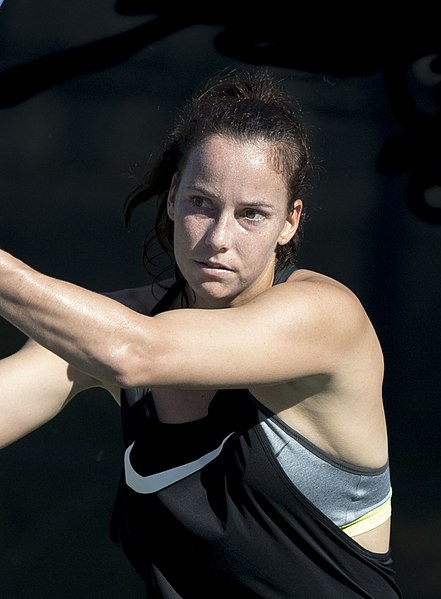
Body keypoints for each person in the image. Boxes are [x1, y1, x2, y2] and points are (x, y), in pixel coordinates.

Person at [0, 66, 402, 597]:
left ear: (290, 221)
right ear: (172, 199)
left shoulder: (328, 318)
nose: (218, 238)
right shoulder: (114, 329)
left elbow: (132, 352)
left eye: (252, 214)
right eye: (201, 204)